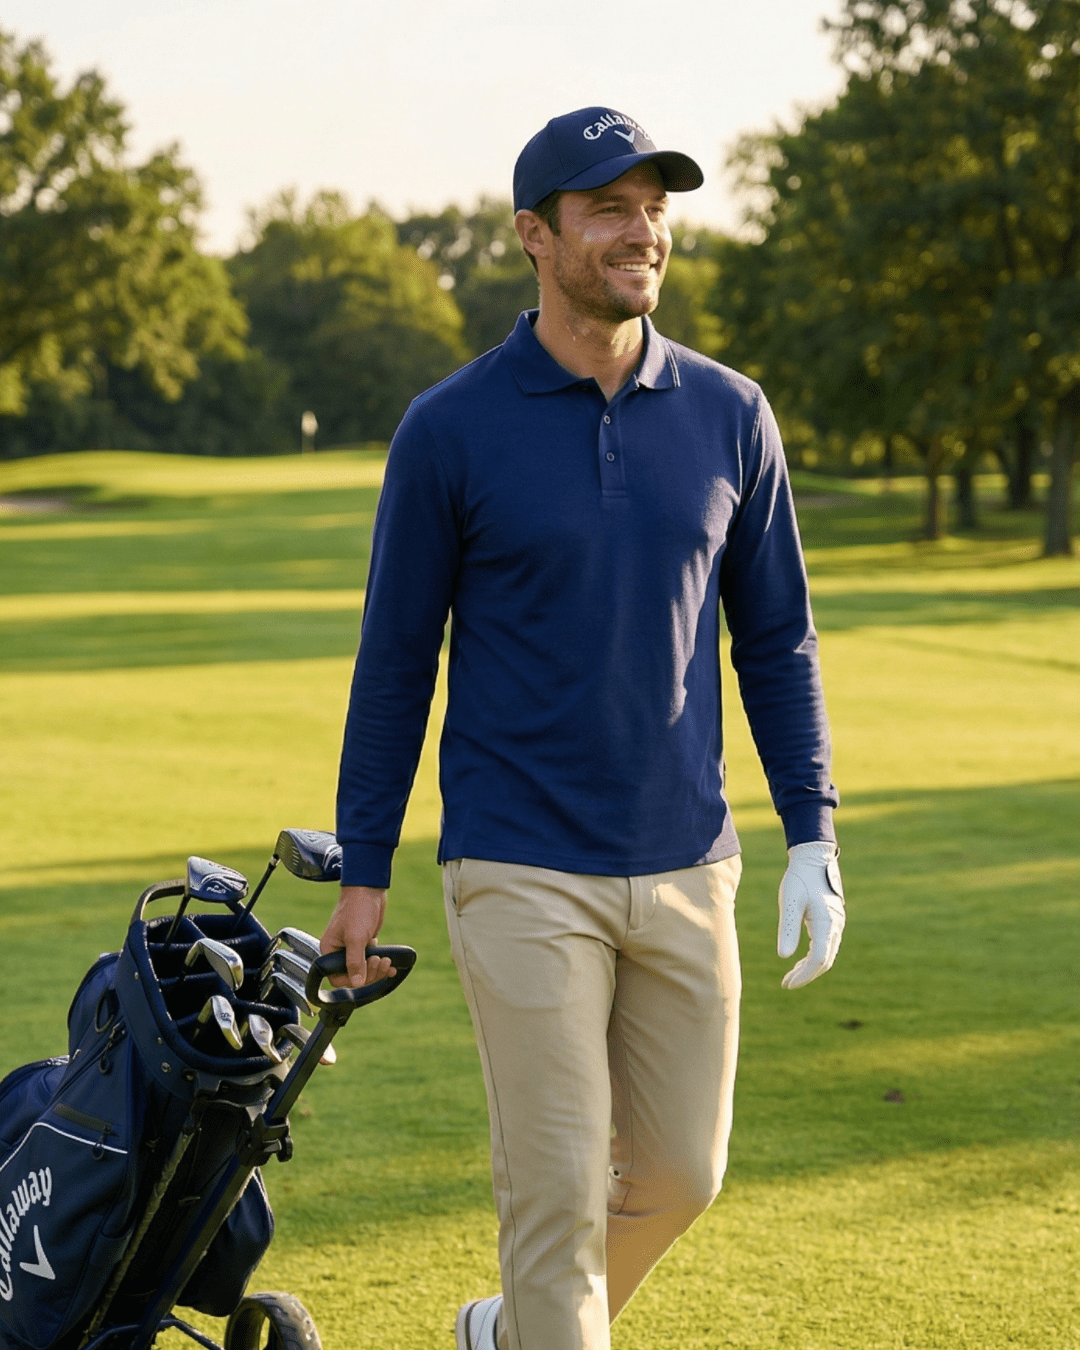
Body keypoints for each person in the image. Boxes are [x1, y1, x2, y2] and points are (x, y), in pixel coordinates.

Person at [321, 106, 845, 1350]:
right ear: (535, 237)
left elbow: (777, 640)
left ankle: (510, 1332)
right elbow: (397, 662)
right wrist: (364, 865)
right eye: (609, 208)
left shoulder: (731, 414)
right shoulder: (449, 428)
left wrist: (813, 835)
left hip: (687, 860)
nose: (642, 232)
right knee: (555, 1195)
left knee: (679, 1176)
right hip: (517, 864)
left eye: (656, 207)